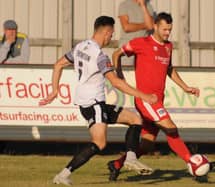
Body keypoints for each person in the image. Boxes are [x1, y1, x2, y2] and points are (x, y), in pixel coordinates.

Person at [39, 16, 157, 186]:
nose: (111, 38)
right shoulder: (100, 56)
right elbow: (116, 82)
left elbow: (58, 65)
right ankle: (63, 175)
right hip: (93, 104)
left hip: (88, 103)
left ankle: (130, 159)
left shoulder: (80, 47)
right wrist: (145, 96)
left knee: (135, 119)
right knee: (99, 143)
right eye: (112, 34)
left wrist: (54, 90)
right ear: (106, 32)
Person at [108, 12, 215, 181]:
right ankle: (193, 162)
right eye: (165, 29)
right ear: (156, 26)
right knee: (171, 128)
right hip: (146, 100)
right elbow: (116, 54)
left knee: (147, 144)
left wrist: (185, 87)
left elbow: (169, 68)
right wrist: (119, 74)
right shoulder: (141, 43)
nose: (167, 33)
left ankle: (116, 164)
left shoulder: (168, 46)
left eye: (170, 30)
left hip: (158, 101)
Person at [118, 0, 154, 65]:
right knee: (126, 72)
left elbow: (151, 26)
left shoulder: (148, 6)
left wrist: (143, 6)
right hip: (127, 46)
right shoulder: (124, 5)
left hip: (144, 47)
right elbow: (126, 27)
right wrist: (145, 25)